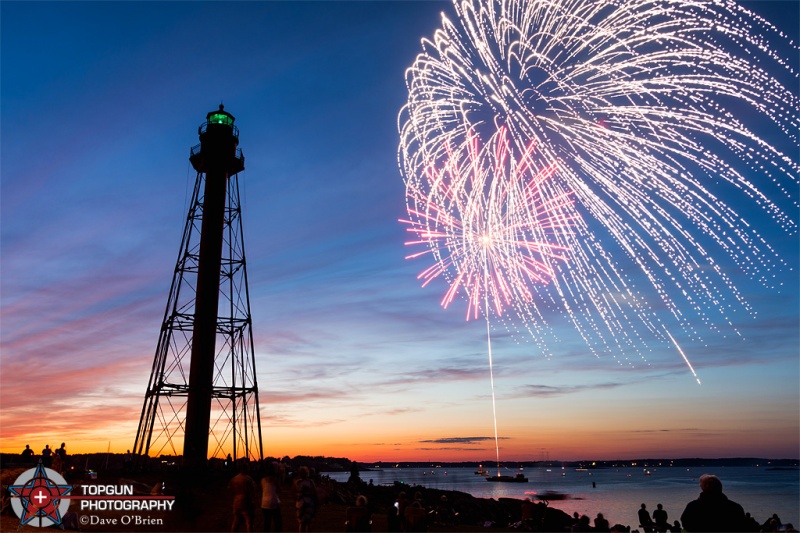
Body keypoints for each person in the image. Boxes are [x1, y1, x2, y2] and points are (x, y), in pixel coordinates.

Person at [680, 474, 749, 532]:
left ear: (703, 488)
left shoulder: (693, 506)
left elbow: (686, 524)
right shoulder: (735, 507)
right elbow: (741, 526)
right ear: (720, 487)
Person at [228, 463, 257, 532]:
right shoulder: (248, 479)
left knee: (236, 521)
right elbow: (253, 490)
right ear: (246, 469)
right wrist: (254, 501)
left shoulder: (234, 479)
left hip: (236, 502)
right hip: (246, 502)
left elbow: (229, 489)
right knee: (249, 522)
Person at [293, 466, 317, 533]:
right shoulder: (310, 482)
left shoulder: (296, 482)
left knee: (301, 523)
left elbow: (293, 492)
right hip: (309, 503)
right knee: (308, 523)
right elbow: (314, 492)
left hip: (300, 503)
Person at [261, 462, 282, 533]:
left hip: (264, 503)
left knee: (267, 522)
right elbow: (279, 490)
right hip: (273, 502)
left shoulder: (263, 480)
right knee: (277, 522)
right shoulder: (275, 480)